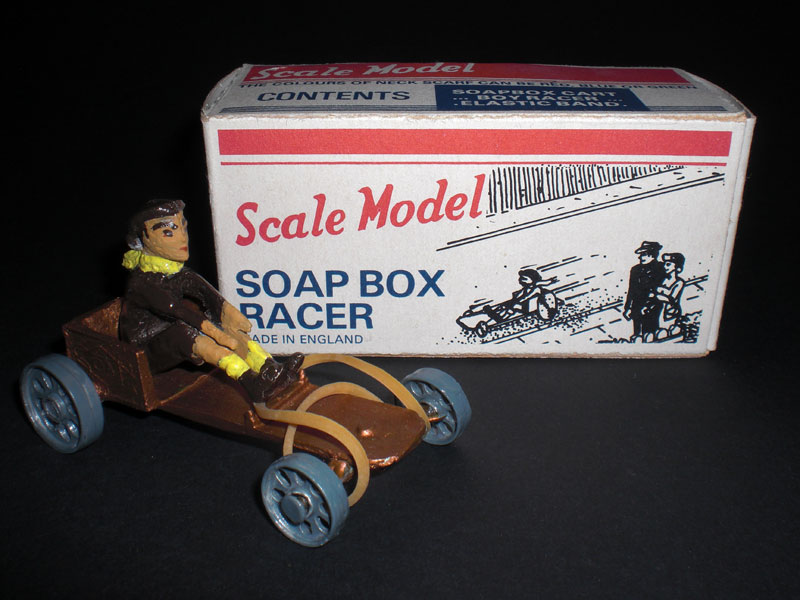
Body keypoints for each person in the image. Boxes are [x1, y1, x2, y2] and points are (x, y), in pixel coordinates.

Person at [118, 199, 302, 403]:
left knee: (222, 325)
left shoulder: (175, 271)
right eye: (168, 232)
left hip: (173, 328)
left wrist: (226, 313)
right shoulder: (143, 283)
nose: (182, 238)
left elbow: (203, 290)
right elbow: (176, 310)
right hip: (146, 351)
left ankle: (270, 367)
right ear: (143, 240)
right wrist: (219, 335)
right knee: (187, 332)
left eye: (183, 227)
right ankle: (249, 381)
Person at [623, 241, 666, 341]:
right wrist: (627, 307)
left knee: (650, 332)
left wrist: (648, 303)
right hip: (637, 305)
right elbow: (631, 289)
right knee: (637, 334)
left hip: (652, 304)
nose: (640, 257)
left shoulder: (660, 267)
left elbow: (660, 287)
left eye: (644, 254)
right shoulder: (635, 269)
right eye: (641, 254)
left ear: (652, 254)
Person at [653, 252, 686, 337]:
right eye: (664, 264)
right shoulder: (664, 280)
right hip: (662, 311)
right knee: (660, 330)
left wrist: (656, 295)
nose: (665, 267)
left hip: (672, 312)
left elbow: (671, 299)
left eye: (668, 264)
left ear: (677, 267)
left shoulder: (679, 282)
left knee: (669, 329)